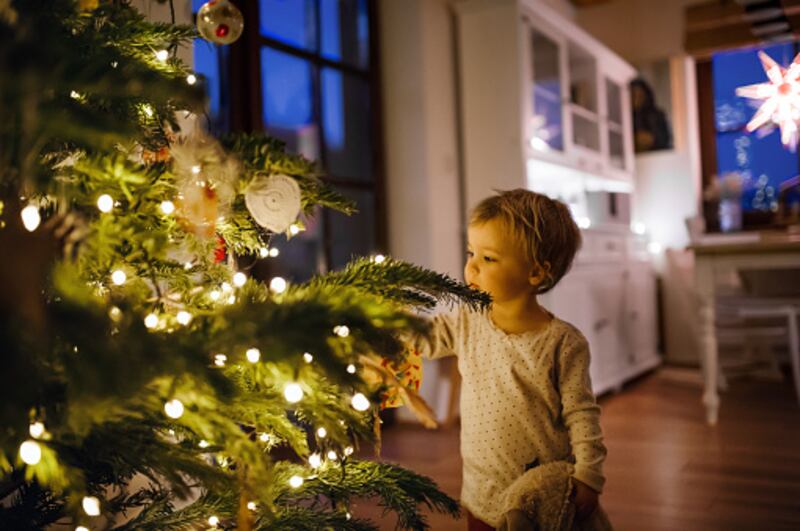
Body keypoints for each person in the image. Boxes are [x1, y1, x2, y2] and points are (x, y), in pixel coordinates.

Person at [414, 189, 609, 530]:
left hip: (537, 497)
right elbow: (424, 339)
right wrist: (382, 327)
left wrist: (589, 475)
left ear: (535, 273)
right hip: (480, 489)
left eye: (488, 258)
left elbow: (582, 413)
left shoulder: (562, 342)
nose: (471, 266)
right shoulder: (466, 321)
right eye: (470, 252)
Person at [631, 78, 672, 153]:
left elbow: (666, 139)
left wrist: (652, 139)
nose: (637, 99)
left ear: (646, 96)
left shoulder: (657, 115)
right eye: (633, 95)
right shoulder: (623, 118)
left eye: (640, 95)